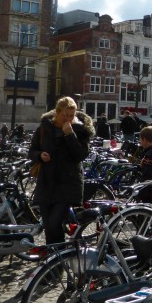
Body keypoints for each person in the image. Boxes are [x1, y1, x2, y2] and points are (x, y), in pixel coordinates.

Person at [28, 96, 94, 245]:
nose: (68, 119)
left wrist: (70, 135)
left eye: (71, 115)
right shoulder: (44, 128)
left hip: (68, 184)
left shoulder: (80, 130)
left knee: (54, 223)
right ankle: (54, 259)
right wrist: (39, 155)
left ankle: (60, 256)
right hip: (46, 183)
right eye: (65, 115)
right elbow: (32, 151)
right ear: (57, 113)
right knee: (48, 227)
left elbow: (80, 155)